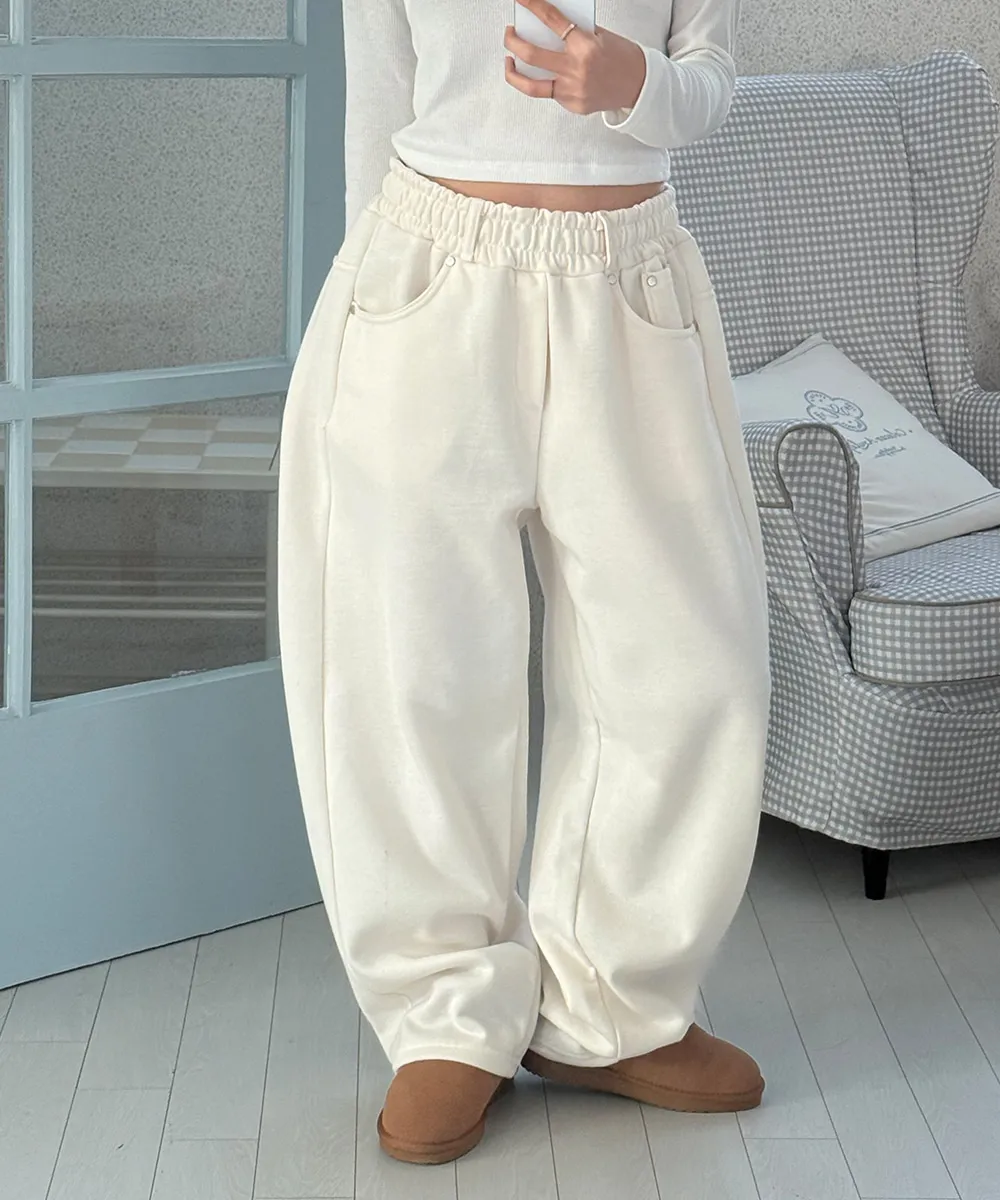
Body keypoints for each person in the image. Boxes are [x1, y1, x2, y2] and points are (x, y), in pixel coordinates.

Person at [276, 0, 771, 1167]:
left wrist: (634, 85)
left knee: (690, 668)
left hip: (630, 286)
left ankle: (615, 1006)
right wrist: (367, 308)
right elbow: (376, 98)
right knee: (413, 669)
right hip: (427, 278)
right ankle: (446, 1014)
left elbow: (712, 76)